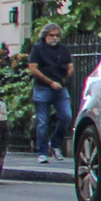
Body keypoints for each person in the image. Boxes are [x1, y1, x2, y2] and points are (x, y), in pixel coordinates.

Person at [26, 22, 73, 162]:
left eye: (57, 35)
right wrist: (50, 82)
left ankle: (55, 145)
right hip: (43, 87)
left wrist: (64, 80)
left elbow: (70, 66)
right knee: (42, 122)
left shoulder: (63, 49)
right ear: (45, 36)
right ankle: (42, 152)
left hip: (60, 87)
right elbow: (33, 68)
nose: (54, 38)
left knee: (66, 116)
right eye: (51, 35)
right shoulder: (38, 49)